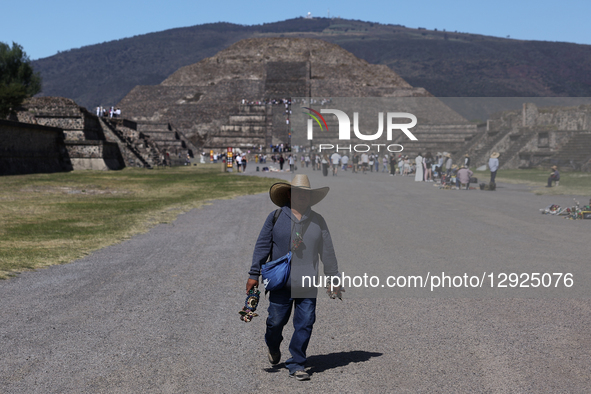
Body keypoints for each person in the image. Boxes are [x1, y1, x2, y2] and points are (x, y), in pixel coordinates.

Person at [246, 175, 340, 381]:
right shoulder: (276, 217)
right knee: (274, 322)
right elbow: (262, 246)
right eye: (298, 193)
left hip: (307, 284)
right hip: (280, 283)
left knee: (305, 323)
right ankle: (273, 345)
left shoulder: (318, 220)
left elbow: (328, 251)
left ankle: (297, 363)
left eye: (306, 194)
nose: (302, 197)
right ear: (289, 195)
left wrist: (333, 278)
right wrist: (254, 274)